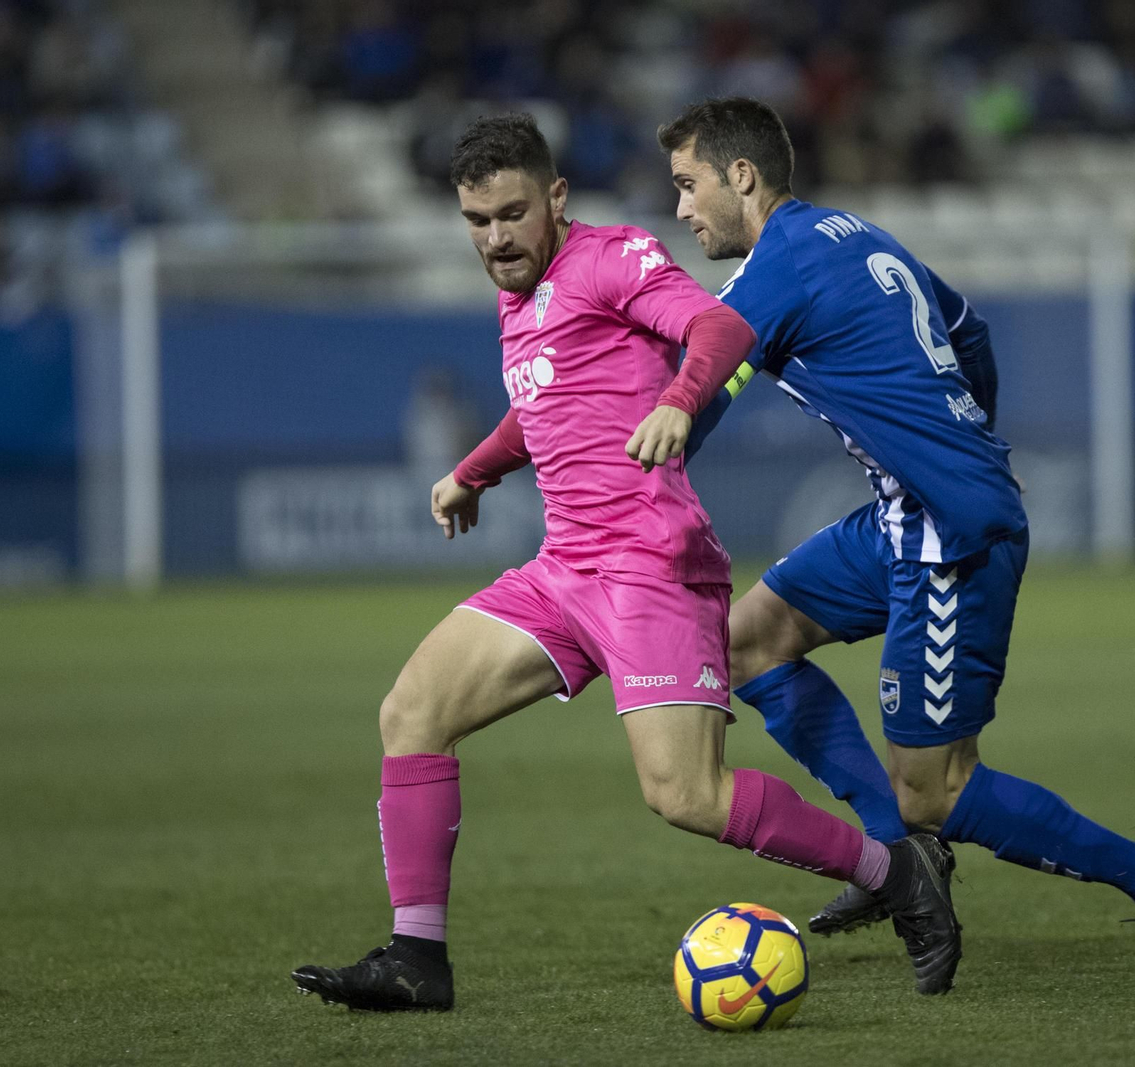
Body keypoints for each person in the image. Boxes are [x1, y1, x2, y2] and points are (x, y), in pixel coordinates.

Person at [291, 113, 962, 1013]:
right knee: (411, 711)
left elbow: (719, 331)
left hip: (652, 566)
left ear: (556, 198)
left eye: (512, 214)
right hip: (564, 568)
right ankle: (419, 957)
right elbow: (541, 408)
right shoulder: (517, 294)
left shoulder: (612, 258)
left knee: (686, 794)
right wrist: (471, 473)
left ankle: (894, 870)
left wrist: (682, 402)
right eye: (477, 221)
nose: (496, 238)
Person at [657, 97, 1135, 976]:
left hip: (948, 537)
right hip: (903, 517)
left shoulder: (777, 265)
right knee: (747, 641)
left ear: (741, 175)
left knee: (937, 787)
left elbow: (704, 376)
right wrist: (964, 448)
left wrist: (656, 442)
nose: (681, 208)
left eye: (688, 186)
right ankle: (898, 862)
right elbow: (967, 331)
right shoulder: (853, 235)